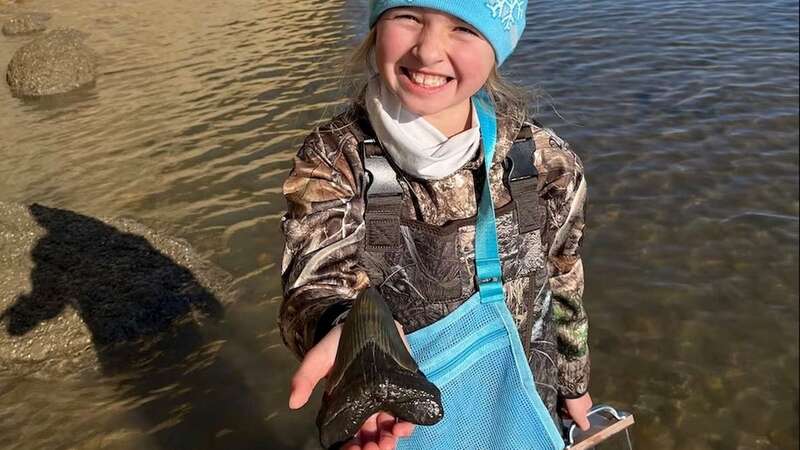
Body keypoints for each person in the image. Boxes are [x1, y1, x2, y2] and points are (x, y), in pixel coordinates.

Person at [279, 1, 592, 449]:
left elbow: (563, 275)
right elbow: (313, 282)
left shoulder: (544, 161)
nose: (428, 52)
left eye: (464, 28)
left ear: (497, 47)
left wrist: (574, 384)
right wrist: (354, 335)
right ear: (376, 25)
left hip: (525, 397)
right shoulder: (334, 159)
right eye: (409, 16)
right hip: (384, 419)